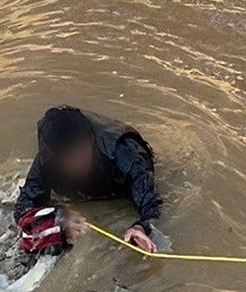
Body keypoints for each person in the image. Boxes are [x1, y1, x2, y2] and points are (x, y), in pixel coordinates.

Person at [14, 106, 162, 253]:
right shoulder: (46, 161)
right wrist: (60, 220)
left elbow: (152, 204)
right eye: (67, 158)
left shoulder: (125, 154)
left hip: (117, 183)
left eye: (80, 151)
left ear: (91, 141)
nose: (75, 162)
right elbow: (24, 207)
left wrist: (141, 227)